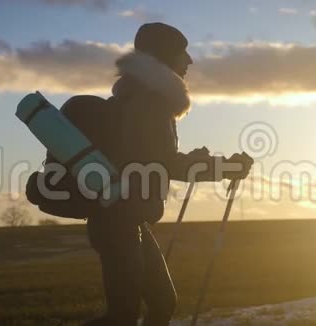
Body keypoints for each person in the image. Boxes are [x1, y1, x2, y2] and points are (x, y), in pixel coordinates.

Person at [84, 23, 254, 326]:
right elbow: (167, 163)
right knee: (125, 316)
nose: (189, 60)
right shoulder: (149, 101)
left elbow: (155, 158)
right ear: (165, 55)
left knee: (160, 303)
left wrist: (201, 161)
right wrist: (226, 167)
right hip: (118, 222)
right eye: (182, 52)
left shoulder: (140, 96)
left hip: (123, 219)